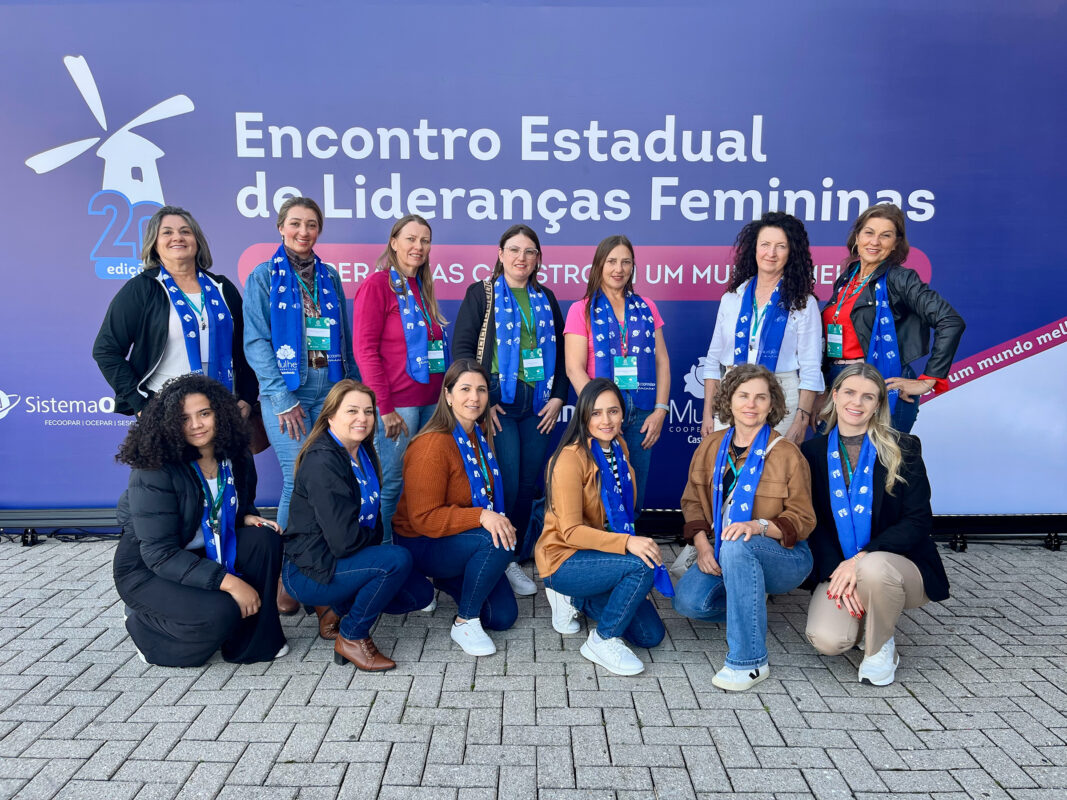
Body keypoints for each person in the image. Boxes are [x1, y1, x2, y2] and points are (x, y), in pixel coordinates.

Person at [112, 374, 286, 667]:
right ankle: (146, 628)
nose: (196, 425)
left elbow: (234, 503)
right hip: (150, 569)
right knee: (221, 612)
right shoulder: (154, 468)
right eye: (184, 418)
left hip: (207, 548)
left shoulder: (235, 452)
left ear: (219, 413)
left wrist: (245, 517)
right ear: (169, 423)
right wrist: (229, 583)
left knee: (264, 539)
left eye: (204, 413)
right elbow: (158, 553)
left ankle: (252, 643)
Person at [802, 364, 949, 685]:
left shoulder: (903, 448)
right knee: (828, 640)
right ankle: (868, 612)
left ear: (878, 404)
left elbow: (918, 521)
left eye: (868, 396)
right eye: (850, 393)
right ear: (835, 396)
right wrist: (837, 570)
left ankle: (880, 647)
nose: (858, 402)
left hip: (899, 568)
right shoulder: (811, 453)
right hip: (839, 568)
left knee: (874, 567)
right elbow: (813, 524)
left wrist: (858, 562)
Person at [673, 364, 816, 691]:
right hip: (722, 549)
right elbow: (692, 500)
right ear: (729, 401)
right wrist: (703, 545)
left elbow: (804, 519)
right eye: (743, 396)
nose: (751, 404)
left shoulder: (787, 454)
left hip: (784, 556)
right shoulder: (711, 446)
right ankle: (749, 600)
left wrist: (760, 525)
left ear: (772, 404)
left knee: (740, 544)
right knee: (689, 603)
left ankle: (749, 661)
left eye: (760, 397)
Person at [280, 379, 434, 671]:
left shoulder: (362, 451)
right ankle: (352, 636)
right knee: (396, 560)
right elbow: (344, 541)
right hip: (311, 569)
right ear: (330, 416)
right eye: (352, 411)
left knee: (419, 594)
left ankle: (338, 607)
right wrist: (375, 553)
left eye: (368, 411)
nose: (362, 418)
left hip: (342, 557)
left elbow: (364, 528)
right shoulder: (323, 461)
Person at [451, 224, 569, 595]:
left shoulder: (546, 298)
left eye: (530, 252)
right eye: (514, 250)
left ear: (538, 259)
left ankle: (514, 555)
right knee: (504, 478)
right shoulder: (480, 293)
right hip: (498, 401)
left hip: (538, 403)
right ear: (500, 254)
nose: (522, 258)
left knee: (527, 482)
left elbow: (563, 355)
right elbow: (463, 349)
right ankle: (497, 554)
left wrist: (558, 397)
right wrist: (480, 401)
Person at [536, 378, 672, 676]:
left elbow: (621, 511)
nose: (606, 420)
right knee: (640, 567)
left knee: (650, 636)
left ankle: (577, 598)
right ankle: (601, 640)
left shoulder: (620, 447)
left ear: (623, 414)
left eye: (613, 411)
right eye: (596, 413)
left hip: (599, 554)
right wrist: (628, 547)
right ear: (583, 415)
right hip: (565, 558)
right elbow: (570, 531)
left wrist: (625, 555)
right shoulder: (569, 460)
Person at [243, 197, 359, 529]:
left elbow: (342, 338)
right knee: (299, 477)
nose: (303, 231)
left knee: (335, 475)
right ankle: (286, 562)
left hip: (331, 389)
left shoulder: (330, 276)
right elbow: (256, 341)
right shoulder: (263, 276)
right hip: (288, 392)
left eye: (311, 224)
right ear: (281, 228)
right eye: (295, 223)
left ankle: (325, 551)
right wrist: (281, 398)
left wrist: (349, 390)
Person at [391, 360, 517, 657]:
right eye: (465, 389)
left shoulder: (478, 435)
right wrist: (483, 516)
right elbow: (423, 519)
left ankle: (449, 578)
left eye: (481, 390)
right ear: (447, 395)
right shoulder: (432, 445)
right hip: (421, 542)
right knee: (496, 539)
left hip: (457, 536)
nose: (474, 398)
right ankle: (464, 621)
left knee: (502, 617)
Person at [93, 206, 257, 417]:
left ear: (197, 240)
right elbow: (106, 350)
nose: (177, 237)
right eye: (167, 232)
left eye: (185, 231)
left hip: (222, 409)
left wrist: (248, 397)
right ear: (154, 243)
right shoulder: (143, 288)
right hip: (166, 411)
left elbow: (248, 347)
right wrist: (140, 403)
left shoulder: (222, 288)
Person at [821, 204, 965, 433]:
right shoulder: (847, 277)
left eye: (885, 236)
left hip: (881, 382)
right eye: (869, 233)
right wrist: (826, 387)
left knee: (884, 466)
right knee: (832, 463)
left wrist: (928, 381)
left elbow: (950, 321)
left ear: (896, 243)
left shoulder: (901, 279)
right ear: (857, 236)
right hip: (840, 383)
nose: (874, 242)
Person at [353, 214, 448, 541]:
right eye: (410, 239)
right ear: (394, 242)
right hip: (397, 408)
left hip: (430, 406)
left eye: (424, 240)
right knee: (391, 483)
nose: (418, 247)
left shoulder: (423, 287)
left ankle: (411, 550)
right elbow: (365, 350)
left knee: (419, 484)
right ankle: (384, 553)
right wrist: (384, 407)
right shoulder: (378, 285)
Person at [564, 235, 670, 512]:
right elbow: (573, 368)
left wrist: (660, 409)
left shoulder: (647, 307)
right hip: (600, 414)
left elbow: (662, 360)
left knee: (635, 485)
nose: (618, 269)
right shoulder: (581, 309)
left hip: (643, 411)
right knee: (600, 487)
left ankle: (632, 547)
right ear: (599, 264)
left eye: (626, 262)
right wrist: (603, 412)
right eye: (611, 261)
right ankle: (601, 548)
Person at [701, 212, 823, 443]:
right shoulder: (732, 298)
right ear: (754, 249)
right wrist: (708, 412)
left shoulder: (804, 303)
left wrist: (801, 419)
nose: (771, 253)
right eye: (765, 244)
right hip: (732, 394)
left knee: (773, 472)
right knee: (726, 468)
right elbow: (712, 361)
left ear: (791, 253)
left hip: (782, 395)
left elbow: (810, 368)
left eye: (781, 246)